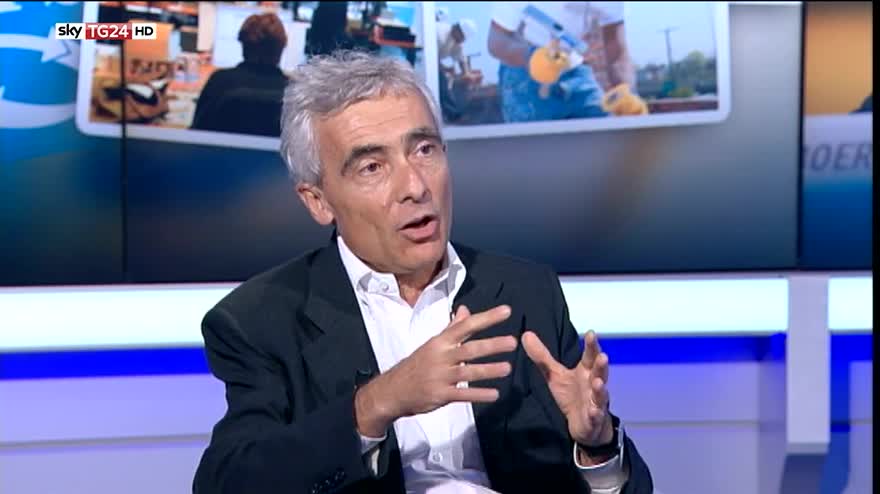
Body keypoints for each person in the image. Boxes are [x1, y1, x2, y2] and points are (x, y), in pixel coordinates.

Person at [192, 50, 652, 494]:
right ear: (318, 200)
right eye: (372, 166)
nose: (414, 186)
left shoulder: (525, 291)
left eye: (425, 149)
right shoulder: (261, 320)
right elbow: (229, 483)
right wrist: (376, 403)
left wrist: (596, 445)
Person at [487, 2, 636, 123]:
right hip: (524, 70)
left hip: (577, 68)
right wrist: (531, 57)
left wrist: (624, 93)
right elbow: (496, 41)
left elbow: (616, 47)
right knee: (536, 145)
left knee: (607, 133)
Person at [191, 12, 289, 136]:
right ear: (281, 48)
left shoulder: (220, 81)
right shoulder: (296, 92)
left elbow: (195, 135)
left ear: (243, 45)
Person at [436, 18, 479, 122]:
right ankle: (453, 116)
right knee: (442, 83)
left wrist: (466, 73)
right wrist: (446, 69)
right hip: (419, 58)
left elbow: (461, 58)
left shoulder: (455, 39)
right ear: (457, 29)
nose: (462, 41)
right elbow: (431, 57)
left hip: (433, 61)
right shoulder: (440, 34)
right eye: (462, 38)